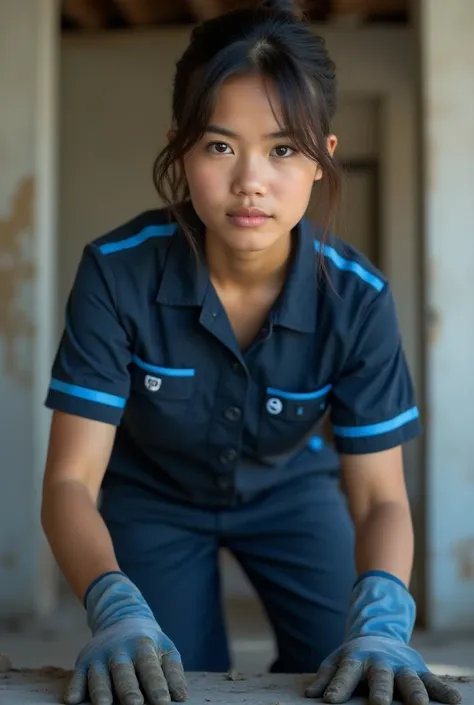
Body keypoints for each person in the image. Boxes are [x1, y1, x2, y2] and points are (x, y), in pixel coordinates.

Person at [41, 2, 461, 705]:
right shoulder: (117, 273)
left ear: (323, 158)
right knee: (164, 680)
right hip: (153, 499)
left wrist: (387, 617)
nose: (251, 182)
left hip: (293, 490)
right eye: (219, 146)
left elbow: (381, 496)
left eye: (284, 148)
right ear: (179, 147)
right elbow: (70, 484)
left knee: (355, 671)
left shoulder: (357, 298)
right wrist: (113, 602)